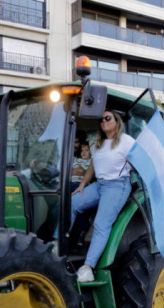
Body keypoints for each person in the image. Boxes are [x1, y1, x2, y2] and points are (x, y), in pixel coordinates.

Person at [71, 110, 135, 282]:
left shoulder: (126, 141)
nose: (104, 121)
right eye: (101, 119)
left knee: (101, 224)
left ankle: (87, 268)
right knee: (72, 202)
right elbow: (93, 165)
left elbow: (140, 159)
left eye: (108, 118)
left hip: (117, 185)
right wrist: (83, 184)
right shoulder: (100, 143)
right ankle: (60, 243)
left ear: (117, 121)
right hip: (99, 185)